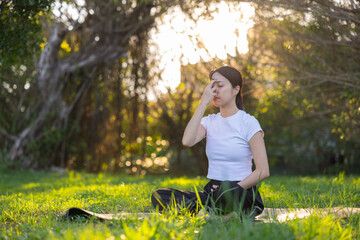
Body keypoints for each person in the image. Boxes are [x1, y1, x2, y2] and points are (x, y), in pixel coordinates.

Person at [151, 66, 270, 217]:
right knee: (160, 196)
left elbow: (263, 171)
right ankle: (217, 212)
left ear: (235, 90)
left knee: (225, 196)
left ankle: (211, 211)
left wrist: (230, 190)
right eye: (212, 86)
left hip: (240, 190)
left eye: (220, 86)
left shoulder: (249, 122)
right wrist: (202, 103)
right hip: (213, 191)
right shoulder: (209, 122)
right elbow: (187, 141)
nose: (215, 91)